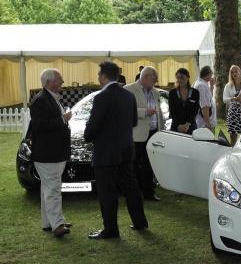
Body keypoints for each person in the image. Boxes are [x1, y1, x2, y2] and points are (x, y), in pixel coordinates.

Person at [84, 61, 148, 239]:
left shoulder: (101, 97)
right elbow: (134, 121)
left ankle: (111, 229)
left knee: (107, 192)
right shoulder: (128, 96)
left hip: (106, 152)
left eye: (99, 75)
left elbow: (93, 125)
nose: (98, 78)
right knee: (130, 187)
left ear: (104, 76)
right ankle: (140, 221)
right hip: (126, 148)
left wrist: (88, 134)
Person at [29, 69, 72, 237]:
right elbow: (39, 126)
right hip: (48, 154)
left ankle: (49, 222)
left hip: (52, 153)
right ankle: (57, 225)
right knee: (53, 189)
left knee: (48, 189)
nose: (62, 82)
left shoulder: (50, 98)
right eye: (59, 79)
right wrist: (63, 119)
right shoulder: (40, 100)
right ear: (50, 82)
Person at [124, 67, 165, 201]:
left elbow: (158, 112)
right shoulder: (129, 89)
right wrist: (144, 112)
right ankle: (134, 194)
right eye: (154, 79)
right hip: (136, 135)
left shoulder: (155, 92)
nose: (155, 83)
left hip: (153, 133)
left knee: (149, 164)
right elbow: (126, 111)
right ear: (146, 77)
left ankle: (149, 193)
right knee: (134, 166)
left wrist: (161, 129)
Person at [168, 68, 200, 134]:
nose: (179, 80)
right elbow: (172, 111)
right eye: (178, 78)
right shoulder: (172, 93)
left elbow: (195, 110)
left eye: (182, 78)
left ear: (188, 78)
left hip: (190, 125)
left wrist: (187, 124)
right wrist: (179, 125)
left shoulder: (195, 92)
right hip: (176, 126)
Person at [193, 65, 217, 132]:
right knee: (208, 141)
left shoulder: (202, 83)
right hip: (204, 123)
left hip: (205, 122)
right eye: (211, 74)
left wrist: (211, 86)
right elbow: (204, 106)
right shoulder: (201, 86)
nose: (211, 77)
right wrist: (207, 123)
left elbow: (209, 99)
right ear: (208, 74)